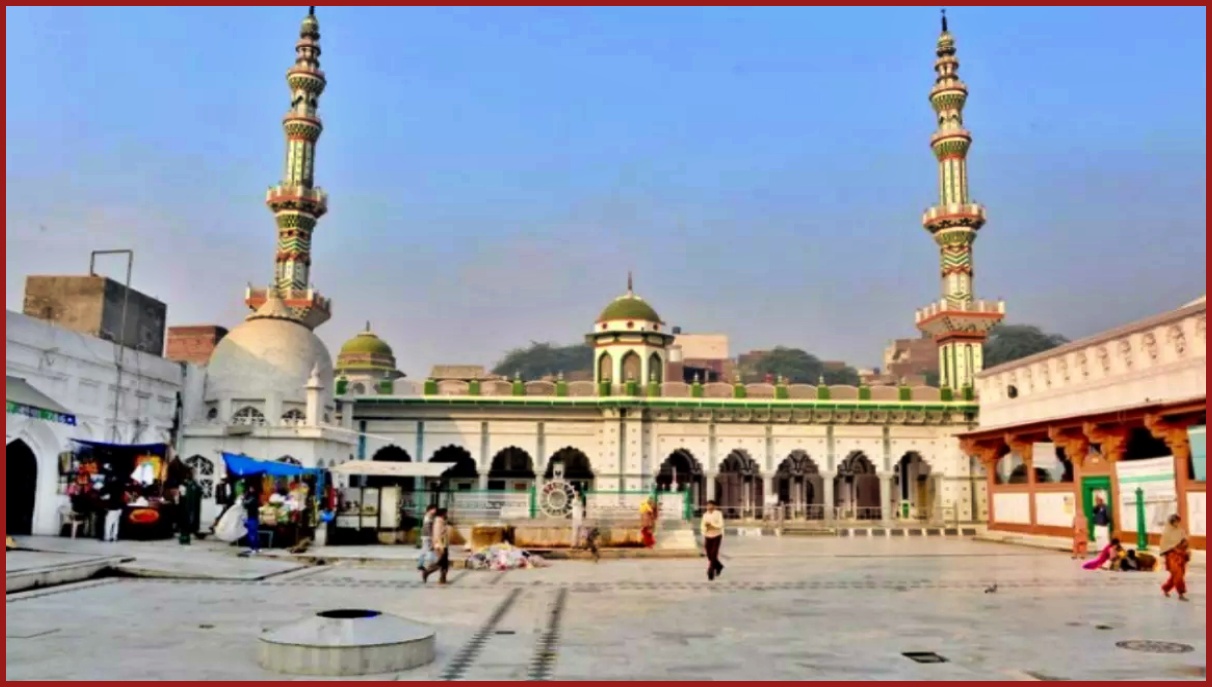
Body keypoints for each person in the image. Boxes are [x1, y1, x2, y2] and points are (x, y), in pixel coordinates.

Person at [1159, 514, 1190, 601]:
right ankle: (1181, 593)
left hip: (1181, 556)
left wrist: (1185, 546)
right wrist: (1174, 548)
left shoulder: (1180, 531)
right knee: (1178, 575)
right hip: (1172, 557)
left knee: (1177, 576)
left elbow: (1185, 541)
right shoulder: (1166, 533)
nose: (1177, 523)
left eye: (1178, 521)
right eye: (1175, 521)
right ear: (1171, 522)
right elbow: (1164, 546)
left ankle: (1166, 588)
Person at [422, 508, 450, 584]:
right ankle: (427, 572)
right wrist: (440, 545)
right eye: (446, 513)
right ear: (442, 514)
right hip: (441, 545)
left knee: (445, 563)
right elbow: (437, 535)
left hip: (444, 544)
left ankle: (442, 579)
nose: (447, 514)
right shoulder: (438, 521)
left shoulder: (442, 521)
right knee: (441, 562)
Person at [701, 500, 725, 581]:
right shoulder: (705, 515)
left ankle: (710, 570)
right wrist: (705, 530)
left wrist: (712, 526)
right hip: (708, 536)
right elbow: (703, 525)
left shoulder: (718, 514)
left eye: (711, 505)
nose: (709, 507)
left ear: (714, 506)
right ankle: (719, 566)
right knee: (708, 554)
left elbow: (720, 524)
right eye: (708, 505)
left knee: (714, 553)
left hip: (717, 535)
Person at [242, 478, 262, 555]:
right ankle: (258, 547)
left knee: (252, 534)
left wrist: (243, 499)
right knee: (255, 533)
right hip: (255, 517)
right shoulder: (256, 498)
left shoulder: (251, 498)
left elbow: (245, 505)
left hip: (251, 518)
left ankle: (253, 548)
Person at [417, 504, 437, 571]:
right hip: (427, 536)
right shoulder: (428, 516)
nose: (435, 511)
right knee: (427, 550)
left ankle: (428, 564)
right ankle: (428, 564)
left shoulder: (429, 516)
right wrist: (431, 536)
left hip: (427, 535)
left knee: (429, 549)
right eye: (434, 509)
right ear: (430, 509)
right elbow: (427, 527)